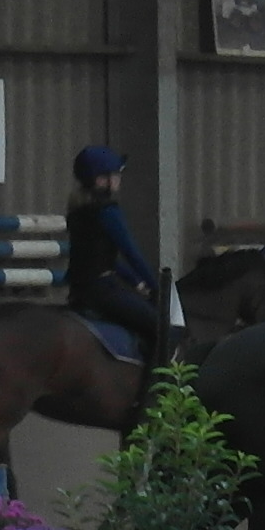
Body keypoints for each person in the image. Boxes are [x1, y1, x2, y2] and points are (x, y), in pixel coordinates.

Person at [61, 141, 165, 368]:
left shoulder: (77, 209)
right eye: (116, 174)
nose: (119, 178)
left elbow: (101, 256)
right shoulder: (108, 211)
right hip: (102, 290)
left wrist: (135, 281)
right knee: (161, 327)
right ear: (101, 180)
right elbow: (131, 252)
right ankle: (156, 383)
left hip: (79, 290)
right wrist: (157, 287)